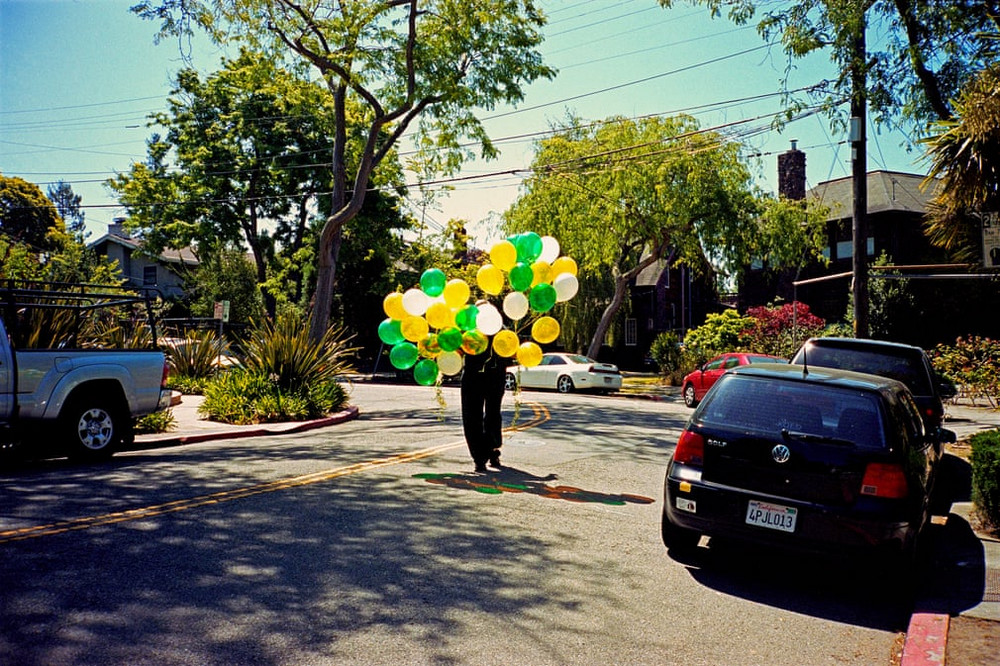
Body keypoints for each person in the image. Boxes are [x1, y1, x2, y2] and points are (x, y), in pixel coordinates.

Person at [461, 347, 507, 473]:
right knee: (472, 415)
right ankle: (480, 458)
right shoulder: (468, 329)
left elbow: (509, 348)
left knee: (492, 414)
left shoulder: (501, 329)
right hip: (474, 373)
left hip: (495, 373)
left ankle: (491, 450)